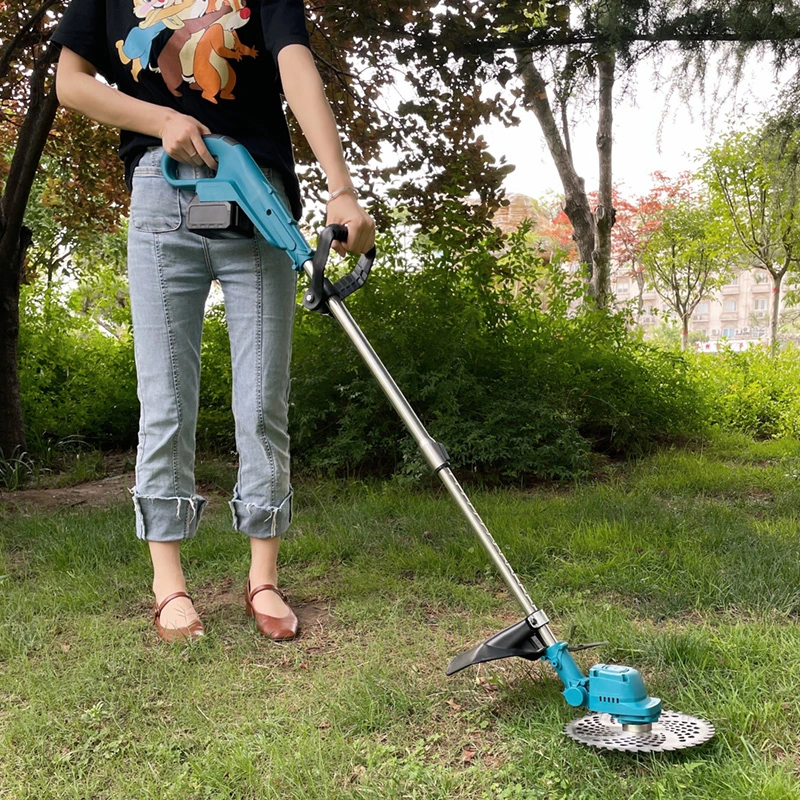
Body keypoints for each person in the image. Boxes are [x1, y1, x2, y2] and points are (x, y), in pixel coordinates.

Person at [50, 0, 375, 642]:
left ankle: (264, 577)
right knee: (165, 398)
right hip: (160, 188)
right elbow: (70, 82)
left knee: (262, 399)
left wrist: (341, 187)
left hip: (257, 192)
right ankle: (168, 584)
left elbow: (294, 63)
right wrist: (163, 117)